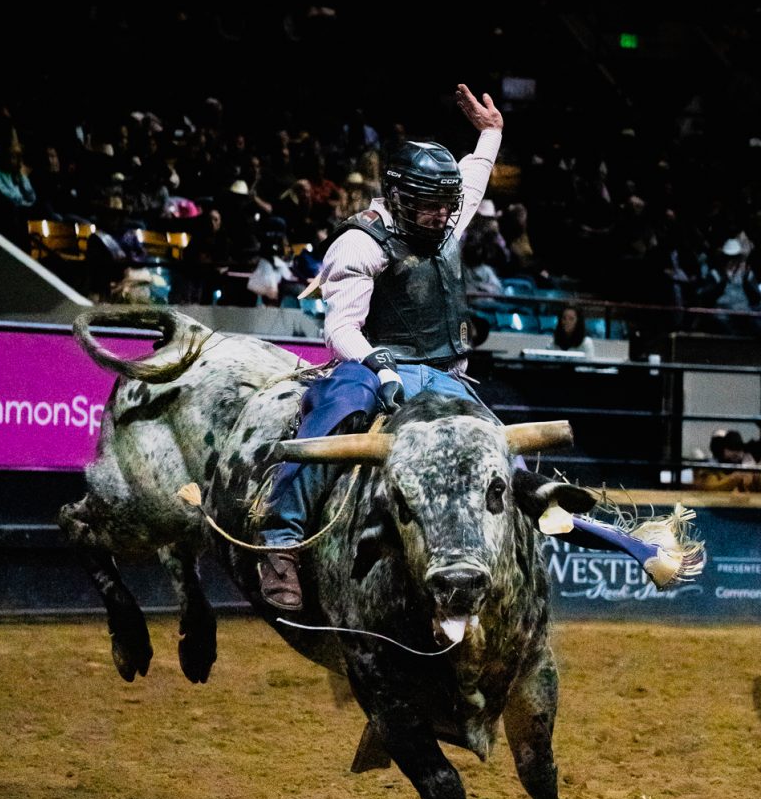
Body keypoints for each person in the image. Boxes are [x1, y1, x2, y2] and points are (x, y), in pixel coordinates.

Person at [256, 84, 700, 611]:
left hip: (444, 375)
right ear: (398, 197)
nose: (442, 217)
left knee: (497, 457)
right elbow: (342, 331)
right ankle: (280, 541)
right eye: (429, 207)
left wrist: (491, 134)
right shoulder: (360, 243)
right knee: (337, 415)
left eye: (447, 208)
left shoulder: (443, 220)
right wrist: (379, 365)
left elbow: (473, 176)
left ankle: (618, 542)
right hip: (371, 365)